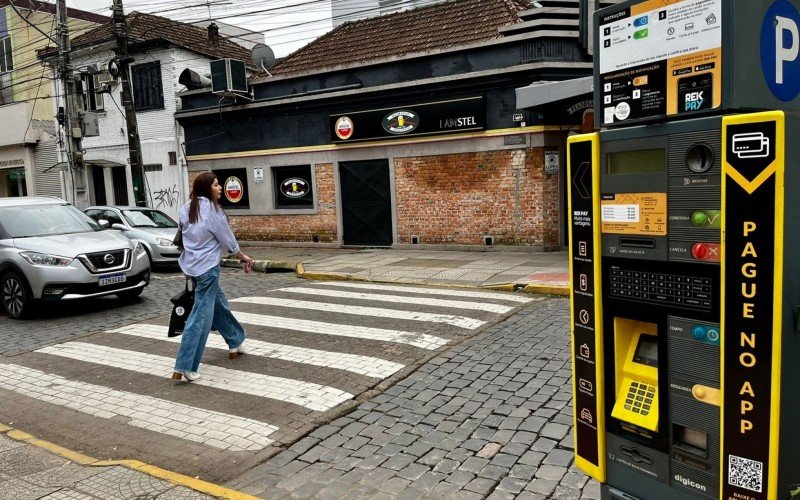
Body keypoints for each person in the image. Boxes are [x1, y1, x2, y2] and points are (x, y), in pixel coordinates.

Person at [172, 172, 254, 382]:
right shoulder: (213, 210)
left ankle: (235, 340)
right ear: (208, 188)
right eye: (217, 185)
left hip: (194, 269)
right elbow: (227, 240)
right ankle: (185, 365)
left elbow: (184, 238)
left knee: (218, 304)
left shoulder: (186, 207)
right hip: (208, 269)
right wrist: (242, 256)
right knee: (200, 317)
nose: (220, 188)